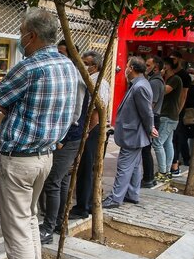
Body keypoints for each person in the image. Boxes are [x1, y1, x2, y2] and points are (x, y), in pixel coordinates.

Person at [0, 8, 78, 259]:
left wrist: (14, 109)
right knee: (30, 222)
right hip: (46, 156)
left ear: (31, 35)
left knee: (17, 230)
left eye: (22, 30)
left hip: (21, 160)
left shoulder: (29, 67)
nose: (20, 35)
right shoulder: (68, 66)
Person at [39, 50, 87, 243]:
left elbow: (74, 114)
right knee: (63, 180)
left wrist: (60, 137)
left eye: (63, 53)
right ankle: (59, 222)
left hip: (68, 137)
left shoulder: (75, 77)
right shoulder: (66, 74)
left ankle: (49, 228)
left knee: (53, 181)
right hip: (64, 136)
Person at [103, 57, 157, 208]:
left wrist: (149, 128)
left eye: (126, 66)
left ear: (132, 68)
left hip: (133, 135)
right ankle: (132, 194)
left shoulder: (140, 87)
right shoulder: (139, 84)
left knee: (124, 167)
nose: (125, 69)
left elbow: (146, 112)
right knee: (133, 167)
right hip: (134, 133)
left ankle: (116, 198)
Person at [69, 51, 110, 220]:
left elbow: (96, 112)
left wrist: (86, 132)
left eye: (86, 63)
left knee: (86, 168)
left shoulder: (98, 83)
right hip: (88, 130)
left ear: (96, 66)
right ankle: (88, 204)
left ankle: (83, 207)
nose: (83, 66)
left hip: (91, 131)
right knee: (85, 168)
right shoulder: (89, 80)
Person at [153, 58, 182, 181]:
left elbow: (163, 91)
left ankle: (163, 172)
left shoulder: (175, 79)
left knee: (157, 143)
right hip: (169, 116)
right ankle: (167, 170)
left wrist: (159, 78)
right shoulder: (170, 79)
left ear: (167, 66)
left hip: (168, 116)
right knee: (167, 143)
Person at [141, 56, 164, 188]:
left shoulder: (155, 82)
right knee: (146, 149)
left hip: (153, 117)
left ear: (155, 68)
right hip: (153, 117)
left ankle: (148, 178)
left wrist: (147, 122)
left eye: (148, 65)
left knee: (145, 149)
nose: (146, 67)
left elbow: (151, 105)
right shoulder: (155, 81)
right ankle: (148, 177)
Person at [169, 51, 192, 173]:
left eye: (173, 58)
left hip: (177, 112)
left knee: (176, 137)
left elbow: (183, 95)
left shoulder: (184, 76)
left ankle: (175, 164)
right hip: (168, 111)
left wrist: (177, 112)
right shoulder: (169, 75)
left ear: (178, 59)